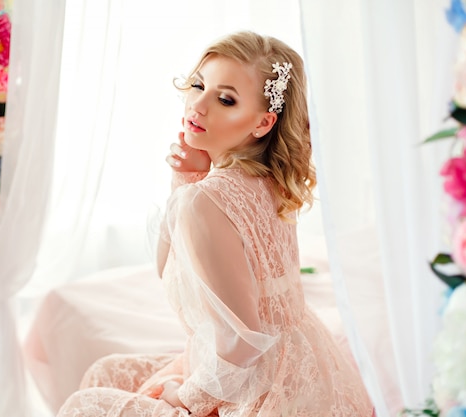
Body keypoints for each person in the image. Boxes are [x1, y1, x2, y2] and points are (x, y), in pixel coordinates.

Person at [57, 30, 374, 417]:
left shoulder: (208, 201)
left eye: (226, 99)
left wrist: (184, 398)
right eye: (198, 85)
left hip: (257, 389)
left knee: (84, 405)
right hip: (306, 370)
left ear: (262, 123)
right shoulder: (270, 178)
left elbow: (242, 346)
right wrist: (186, 178)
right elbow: (173, 266)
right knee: (105, 372)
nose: (199, 105)